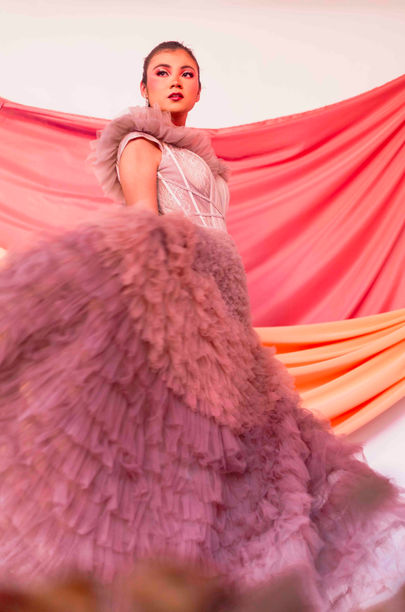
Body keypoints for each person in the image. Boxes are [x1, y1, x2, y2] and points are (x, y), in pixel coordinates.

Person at [0, 40, 404, 612]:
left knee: (240, 437)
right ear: (144, 88)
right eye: (162, 72)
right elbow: (143, 226)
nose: (175, 80)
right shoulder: (140, 144)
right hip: (186, 294)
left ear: (197, 88)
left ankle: (219, 570)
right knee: (192, 432)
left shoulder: (204, 163)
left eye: (187, 73)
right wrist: (169, 308)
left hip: (227, 297)